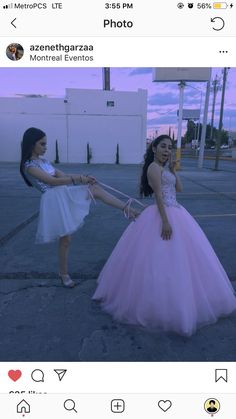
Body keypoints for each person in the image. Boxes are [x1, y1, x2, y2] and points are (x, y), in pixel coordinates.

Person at [93, 135, 236, 336]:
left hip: (177, 211)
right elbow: (159, 196)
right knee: (158, 259)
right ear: (154, 147)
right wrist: (166, 222)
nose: (167, 150)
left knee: (182, 260)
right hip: (163, 214)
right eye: (163, 146)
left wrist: (174, 170)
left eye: (170, 147)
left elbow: (179, 189)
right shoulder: (153, 167)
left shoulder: (166, 168)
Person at [20, 127, 139, 288]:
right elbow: (52, 181)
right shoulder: (29, 166)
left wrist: (84, 178)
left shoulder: (44, 161)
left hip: (63, 193)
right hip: (54, 200)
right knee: (66, 240)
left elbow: (62, 176)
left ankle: (129, 210)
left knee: (95, 189)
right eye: (42, 144)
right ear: (31, 144)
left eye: (46, 144)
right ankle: (63, 274)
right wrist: (80, 178)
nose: (45, 147)